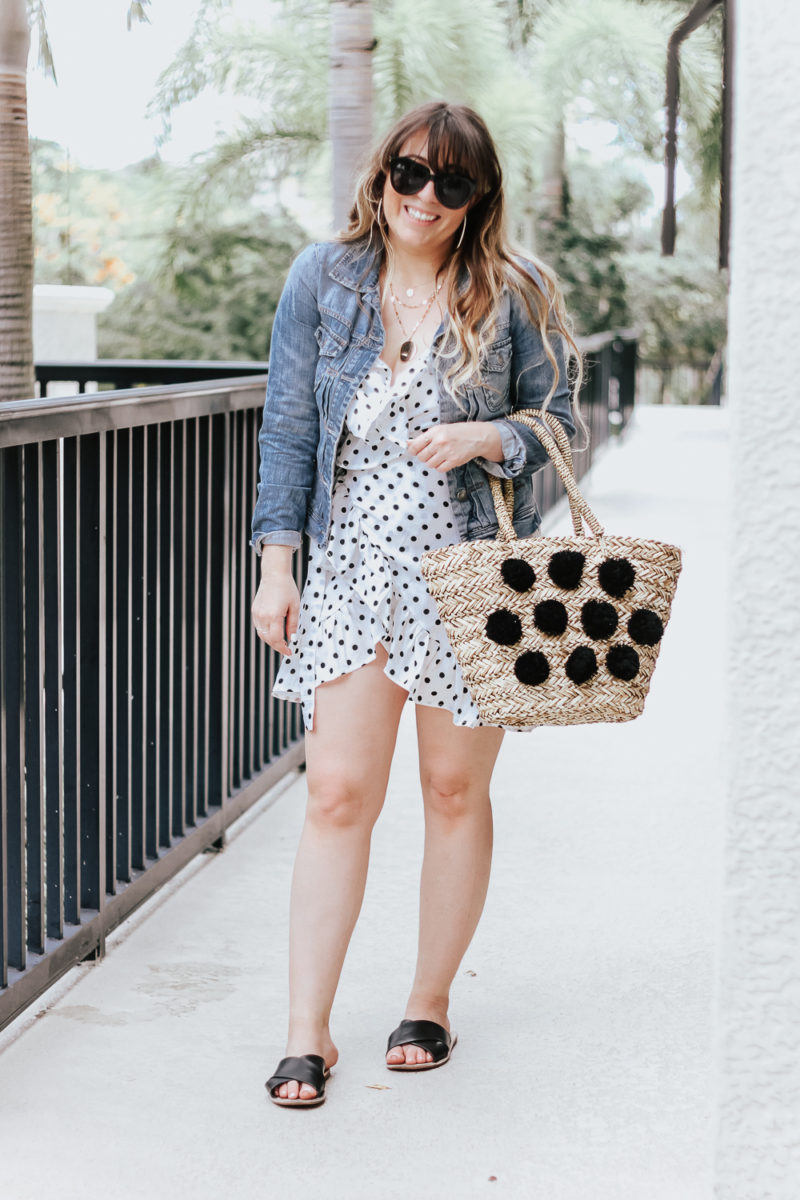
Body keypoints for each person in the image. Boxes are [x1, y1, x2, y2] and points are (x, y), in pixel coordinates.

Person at [250, 100, 582, 1107]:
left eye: (451, 183)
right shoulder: (323, 279)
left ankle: (427, 1003)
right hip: (353, 574)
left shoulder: (509, 292)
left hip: (469, 580)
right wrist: (276, 563)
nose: (424, 199)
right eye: (409, 174)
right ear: (380, 173)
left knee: (450, 793)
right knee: (336, 793)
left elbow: (559, 422)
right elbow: (287, 432)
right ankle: (307, 1032)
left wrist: (493, 440)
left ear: (477, 197)